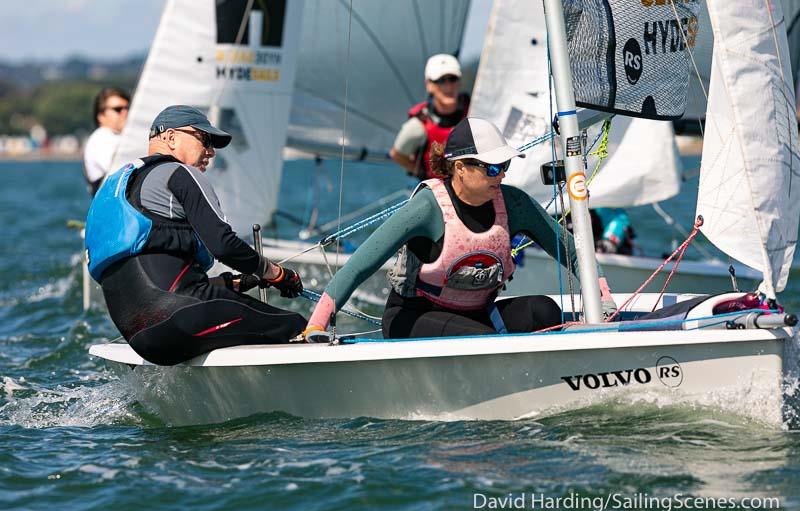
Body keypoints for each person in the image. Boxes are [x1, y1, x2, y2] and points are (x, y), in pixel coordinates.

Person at [302, 117, 616, 341]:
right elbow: (360, 266)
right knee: (482, 340)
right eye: (491, 167)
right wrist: (317, 325)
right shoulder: (428, 208)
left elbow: (573, 250)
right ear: (461, 168)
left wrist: (603, 298)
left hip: (478, 315)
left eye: (504, 166)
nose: (500, 175)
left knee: (545, 312)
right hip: (412, 317)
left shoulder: (514, 204)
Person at [85, 105, 306, 364]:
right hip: (179, 319)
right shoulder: (179, 173)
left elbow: (148, 277)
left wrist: (228, 284)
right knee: (296, 325)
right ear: (170, 137)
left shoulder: (115, 187)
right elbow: (224, 246)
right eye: (204, 140)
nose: (211, 152)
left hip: (139, 337)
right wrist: (277, 274)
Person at [390, 54, 470, 180]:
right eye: (441, 81)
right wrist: (422, 173)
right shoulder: (418, 125)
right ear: (429, 85)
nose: (448, 86)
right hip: (439, 192)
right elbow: (397, 154)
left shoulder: (474, 111)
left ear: (459, 82)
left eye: (453, 79)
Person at [83, 87, 130, 196]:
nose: (125, 112)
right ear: (101, 116)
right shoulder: (101, 137)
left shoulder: (118, 137)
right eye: (118, 109)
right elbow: (120, 171)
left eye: (128, 108)